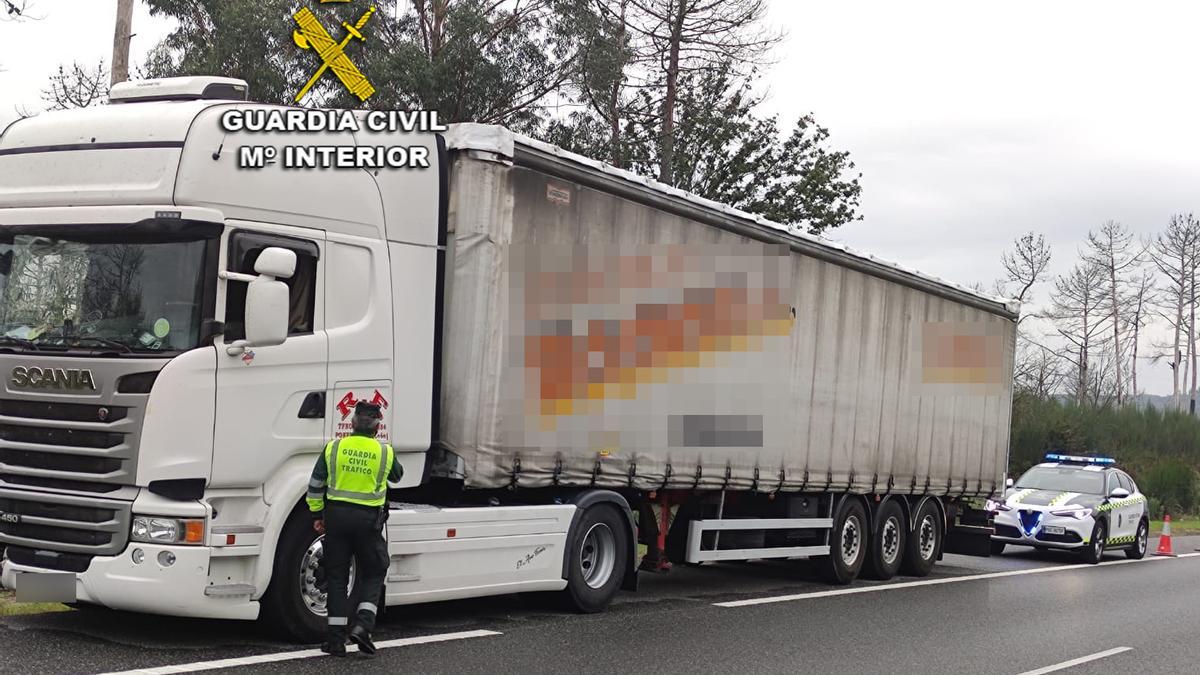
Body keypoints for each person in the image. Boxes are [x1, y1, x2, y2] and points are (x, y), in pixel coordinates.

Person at [306, 400, 402, 657]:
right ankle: (363, 625)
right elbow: (397, 476)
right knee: (375, 569)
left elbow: (316, 484)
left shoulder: (334, 447)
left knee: (337, 577)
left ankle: (336, 641)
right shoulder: (385, 452)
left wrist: (317, 513)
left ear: (352, 423)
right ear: (377, 427)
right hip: (368, 521)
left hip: (336, 519)